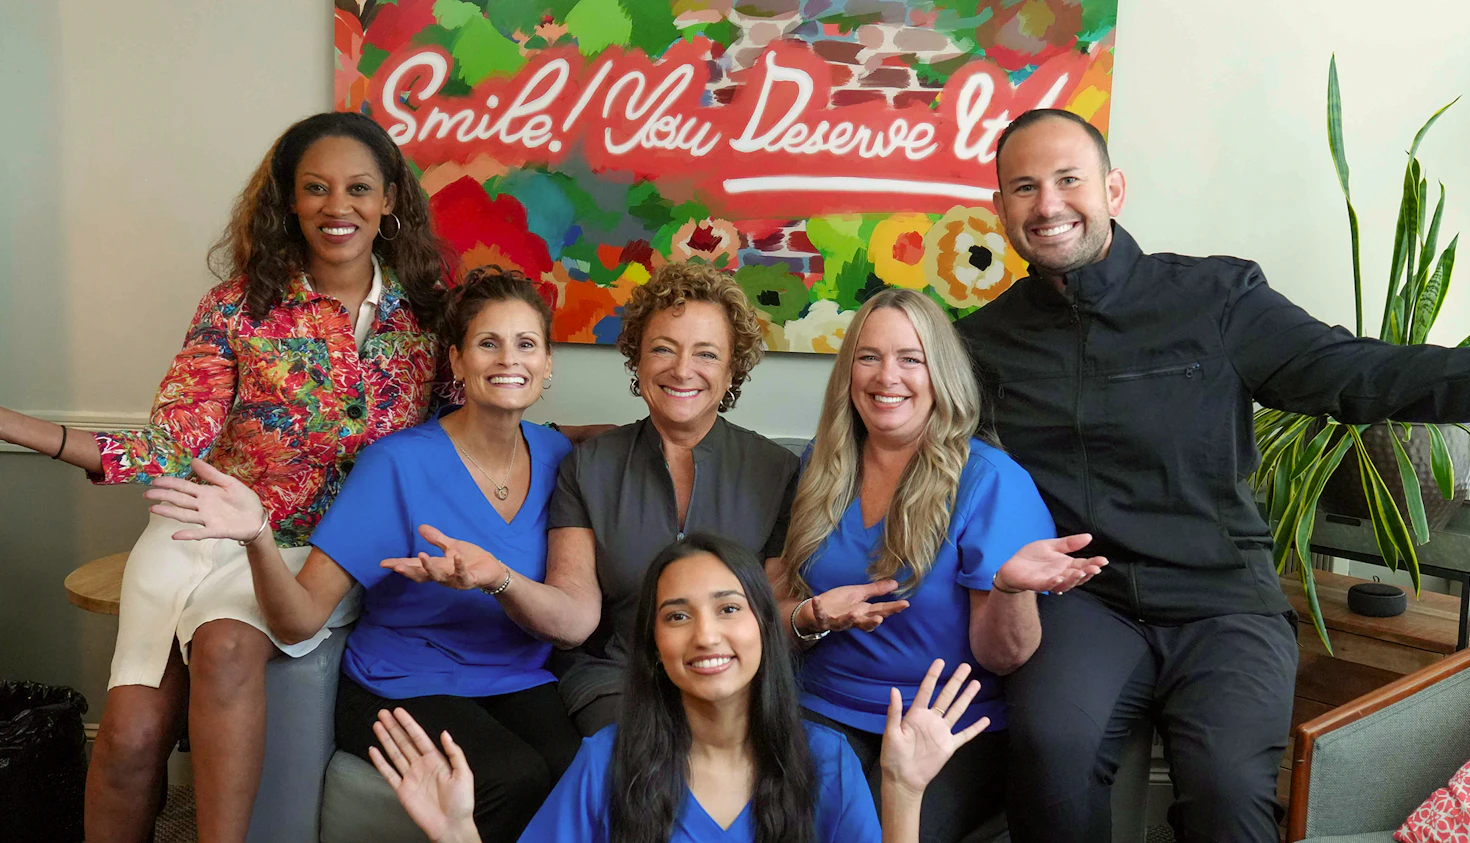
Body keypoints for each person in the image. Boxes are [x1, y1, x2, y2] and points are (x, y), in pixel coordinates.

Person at [956, 107, 1470, 843]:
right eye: (1025, 187)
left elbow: (1360, 374)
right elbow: (909, 443)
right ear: (1000, 208)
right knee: (1049, 755)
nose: (1048, 204)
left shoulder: (1216, 298)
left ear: (1113, 190)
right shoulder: (984, 343)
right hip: (1087, 600)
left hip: (1221, 598)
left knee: (1228, 788)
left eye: (1068, 180)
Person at [0, 111, 450, 843]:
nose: (337, 206)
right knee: (130, 737)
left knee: (225, 644)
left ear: (390, 198)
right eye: (316, 188)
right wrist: (16, 426)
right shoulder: (238, 306)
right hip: (195, 532)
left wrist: (590, 444)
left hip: (313, 553)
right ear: (290, 200)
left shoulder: (430, 319)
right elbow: (174, 443)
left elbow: (475, 428)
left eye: (359, 188)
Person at [152, 266, 579, 841]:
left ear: (547, 364)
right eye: (488, 343)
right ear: (456, 362)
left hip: (515, 676)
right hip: (399, 682)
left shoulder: (558, 456)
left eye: (526, 344)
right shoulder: (397, 464)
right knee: (511, 778)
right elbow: (299, 617)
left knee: (582, 776)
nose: (509, 359)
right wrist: (257, 535)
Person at [389, 263, 802, 737]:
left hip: (731, 679)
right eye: (662, 349)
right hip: (618, 680)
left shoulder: (778, 471)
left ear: (732, 369)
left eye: (706, 354)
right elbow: (576, 618)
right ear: (637, 360)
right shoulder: (588, 465)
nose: (682, 369)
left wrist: (808, 622)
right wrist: (501, 578)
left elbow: (775, 616)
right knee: (637, 763)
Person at [369, 533, 992, 843]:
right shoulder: (606, 762)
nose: (705, 635)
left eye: (729, 608)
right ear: (653, 648)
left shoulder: (825, 760)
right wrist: (458, 834)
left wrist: (903, 790)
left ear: (764, 628)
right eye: (676, 616)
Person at [768, 288, 1105, 842]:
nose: (887, 376)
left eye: (911, 358)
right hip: (819, 707)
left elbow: (1004, 657)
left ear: (941, 374)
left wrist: (1009, 589)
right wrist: (813, 615)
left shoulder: (990, 480)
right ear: (848, 371)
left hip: (942, 723)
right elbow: (768, 617)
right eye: (869, 356)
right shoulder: (820, 466)